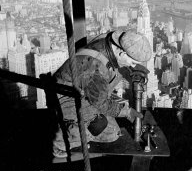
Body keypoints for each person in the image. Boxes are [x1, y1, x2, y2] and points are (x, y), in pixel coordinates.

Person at [52, 29, 152, 158]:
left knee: (111, 130)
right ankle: (61, 142)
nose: (132, 66)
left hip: (83, 90)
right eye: (133, 63)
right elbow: (101, 102)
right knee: (104, 129)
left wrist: (135, 70)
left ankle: (78, 128)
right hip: (67, 99)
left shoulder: (108, 42)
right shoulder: (95, 68)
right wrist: (127, 112)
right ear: (121, 53)